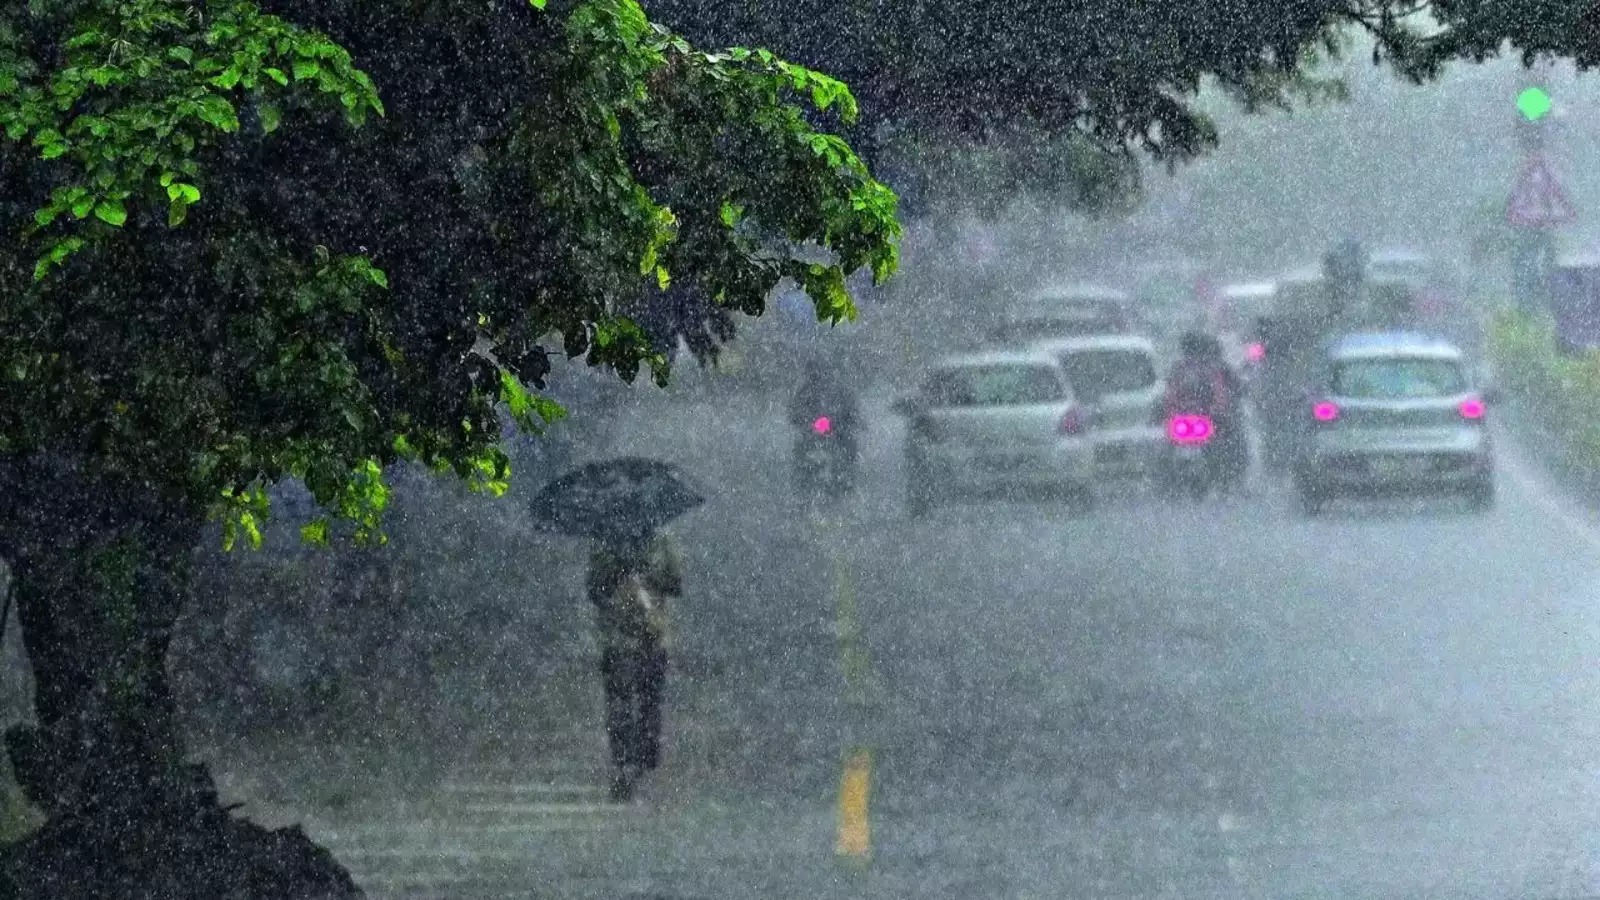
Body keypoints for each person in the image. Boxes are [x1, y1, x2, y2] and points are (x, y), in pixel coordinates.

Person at [587, 525, 684, 802]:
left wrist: (648, 574)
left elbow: (675, 584)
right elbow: (594, 589)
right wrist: (617, 572)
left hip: (652, 637)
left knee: (648, 703)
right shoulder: (602, 543)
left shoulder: (662, 540)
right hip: (616, 640)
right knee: (619, 704)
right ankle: (621, 764)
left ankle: (642, 764)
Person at [1165, 330, 1248, 488]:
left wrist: (1217, 411)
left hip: (1203, 419)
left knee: (1228, 442)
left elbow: (1220, 394)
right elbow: (1171, 395)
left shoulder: (1192, 369)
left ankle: (1229, 476)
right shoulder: (1198, 369)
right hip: (1196, 419)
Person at [787, 358, 862, 468]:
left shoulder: (841, 391)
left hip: (838, 438)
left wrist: (836, 424)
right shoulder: (804, 392)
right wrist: (810, 424)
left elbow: (853, 415)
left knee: (847, 452)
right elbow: (795, 414)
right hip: (812, 439)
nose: (816, 376)